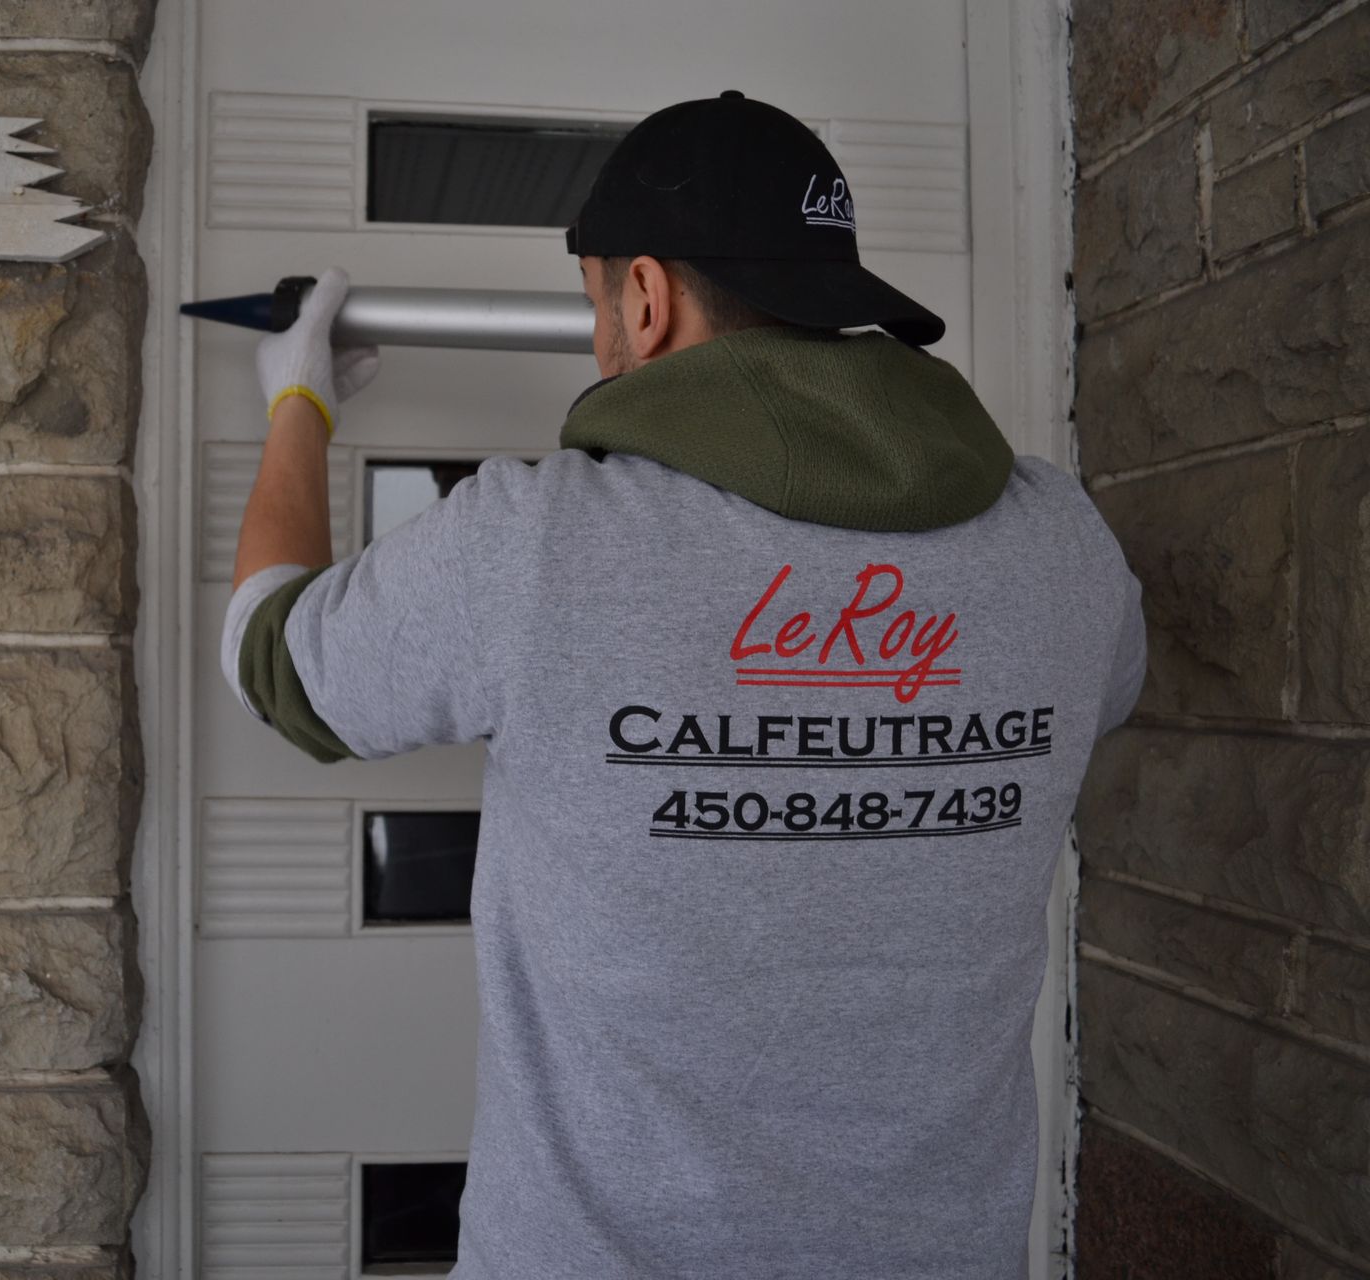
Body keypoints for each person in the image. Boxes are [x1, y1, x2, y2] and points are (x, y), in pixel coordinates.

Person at [219, 91, 1145, 1280]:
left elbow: (272, 657)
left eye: (596, 302)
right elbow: (1102, 691)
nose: (600, 333)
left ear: (644, 298)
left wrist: (298, 401)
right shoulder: (1065, 549)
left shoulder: (537, 543)